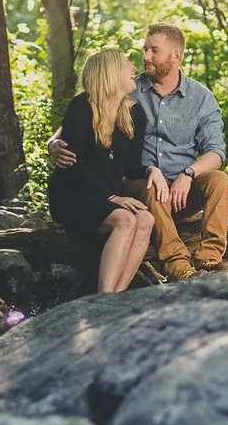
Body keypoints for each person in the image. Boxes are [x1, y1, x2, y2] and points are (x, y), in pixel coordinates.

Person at [50, 22, 228, 281]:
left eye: (154, 51)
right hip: (141, 183)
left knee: (220, 180)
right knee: (153, 188)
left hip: (182, 189)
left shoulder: (201, 97)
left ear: (175, 56)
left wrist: (189, 173)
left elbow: (215, 151)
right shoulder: (130, 88)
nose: (145, 57)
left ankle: (210, 258)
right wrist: (54, 141)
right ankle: (178, 267)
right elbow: (89, 111)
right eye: (145, 49)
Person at [47, 49, 155, 293]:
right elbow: (72, 167)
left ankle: (116, 297)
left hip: (106, 195)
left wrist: (151, 171)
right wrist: (113, 198)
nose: (134, 69)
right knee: (125, 219)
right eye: (128, 64)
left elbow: (132, 167)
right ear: (110, 72)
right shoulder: (81, 107)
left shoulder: (135, 114)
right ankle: (103, 297)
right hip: (73, 194)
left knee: (146, 219)